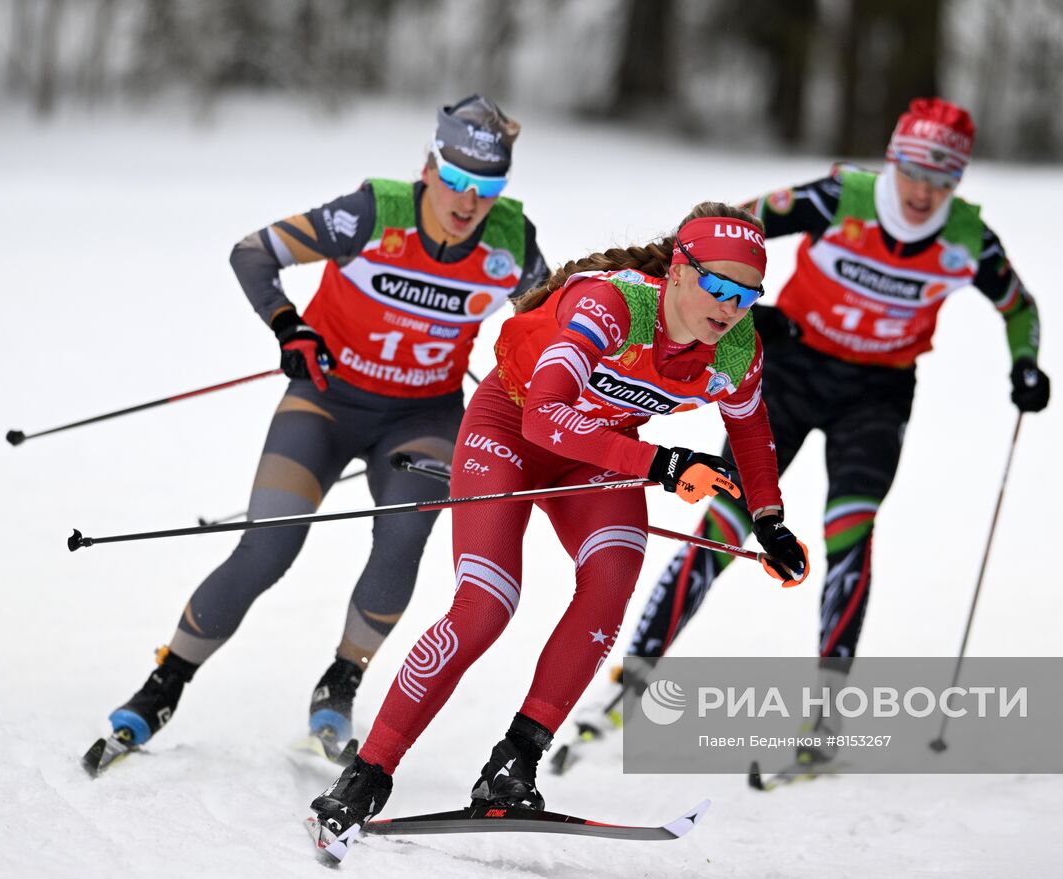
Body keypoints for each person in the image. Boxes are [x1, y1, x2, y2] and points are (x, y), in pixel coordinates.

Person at [306, 202, 811, 858]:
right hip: (510, 428)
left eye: (746, 295)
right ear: (680, 272)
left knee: (610, 582)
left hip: (597, 451)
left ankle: (513, 764)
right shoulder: (611, 305)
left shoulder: (736, 348)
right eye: (716, 284)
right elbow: (545, 417)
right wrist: (662, 463)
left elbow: (749, 429)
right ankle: (365, 776)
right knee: (486, 605)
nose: (728, 306)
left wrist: (768, 518)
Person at [564, 97, 1050, 763]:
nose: (922, 191)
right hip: (788, 372)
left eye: (942, 180)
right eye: (913, 171)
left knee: (850, 529)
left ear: (958, 182)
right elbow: (722, 232)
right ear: (893, 160)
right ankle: (634, 681)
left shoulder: (967, 238)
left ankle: (828, 714)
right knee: (728, 519)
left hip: (876, 394)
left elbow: (1020, 307)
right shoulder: (840, 197)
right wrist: (735, 307)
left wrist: (1026, 366)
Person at [97, 95, 549, 758]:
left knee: (401, 540)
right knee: (268, 546)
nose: (466, 202)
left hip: (424, 417)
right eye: (454, 181)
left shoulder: (512, 240)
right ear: (429, 167)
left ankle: (341, 680)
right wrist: (290, 325)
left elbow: (548, 329)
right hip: (326, 401)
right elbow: (251, 252)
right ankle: (164, 682)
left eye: (485, 190)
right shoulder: (371, 212)